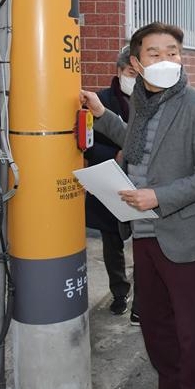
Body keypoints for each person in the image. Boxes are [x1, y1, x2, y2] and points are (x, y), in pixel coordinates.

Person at [79, 22, 195, 389]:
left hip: (183, 234)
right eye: (154, 54)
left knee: (191, 328)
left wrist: (157, 196)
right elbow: (138, 143)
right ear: (137, 63)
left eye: (172, 52)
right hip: (144, 233)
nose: (166, 59)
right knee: (156, 324)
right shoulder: (143, 101)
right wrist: (101, 114)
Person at [83, 45, 140, 322]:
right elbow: (87, 146)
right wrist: (114, 155)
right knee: (112, 241)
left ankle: (142, 297)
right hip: (109, 180)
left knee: (144, 241)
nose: (136, 79)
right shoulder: (100, 101)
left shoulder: (150, 100)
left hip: (141, 183)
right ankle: (119, 293)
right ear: (119, 70)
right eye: (131, 72)